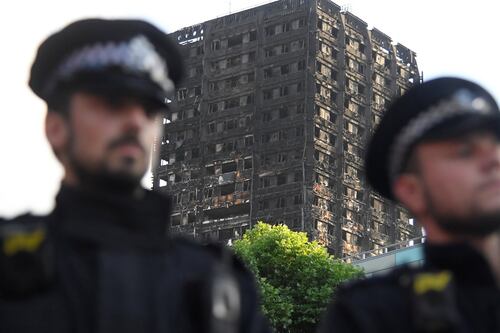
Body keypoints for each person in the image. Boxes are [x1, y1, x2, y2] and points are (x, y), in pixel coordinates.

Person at [0, 18, 270, 333]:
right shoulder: (9, 266)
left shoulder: (217, 284)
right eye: (113, 103)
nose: (135, 122)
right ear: (56, 127)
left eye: (149, 109)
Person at [319, 77, 500, 332]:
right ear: (412, 191)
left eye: (496, 146)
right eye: (464, 152)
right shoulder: (374, 314)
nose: (493, 161)